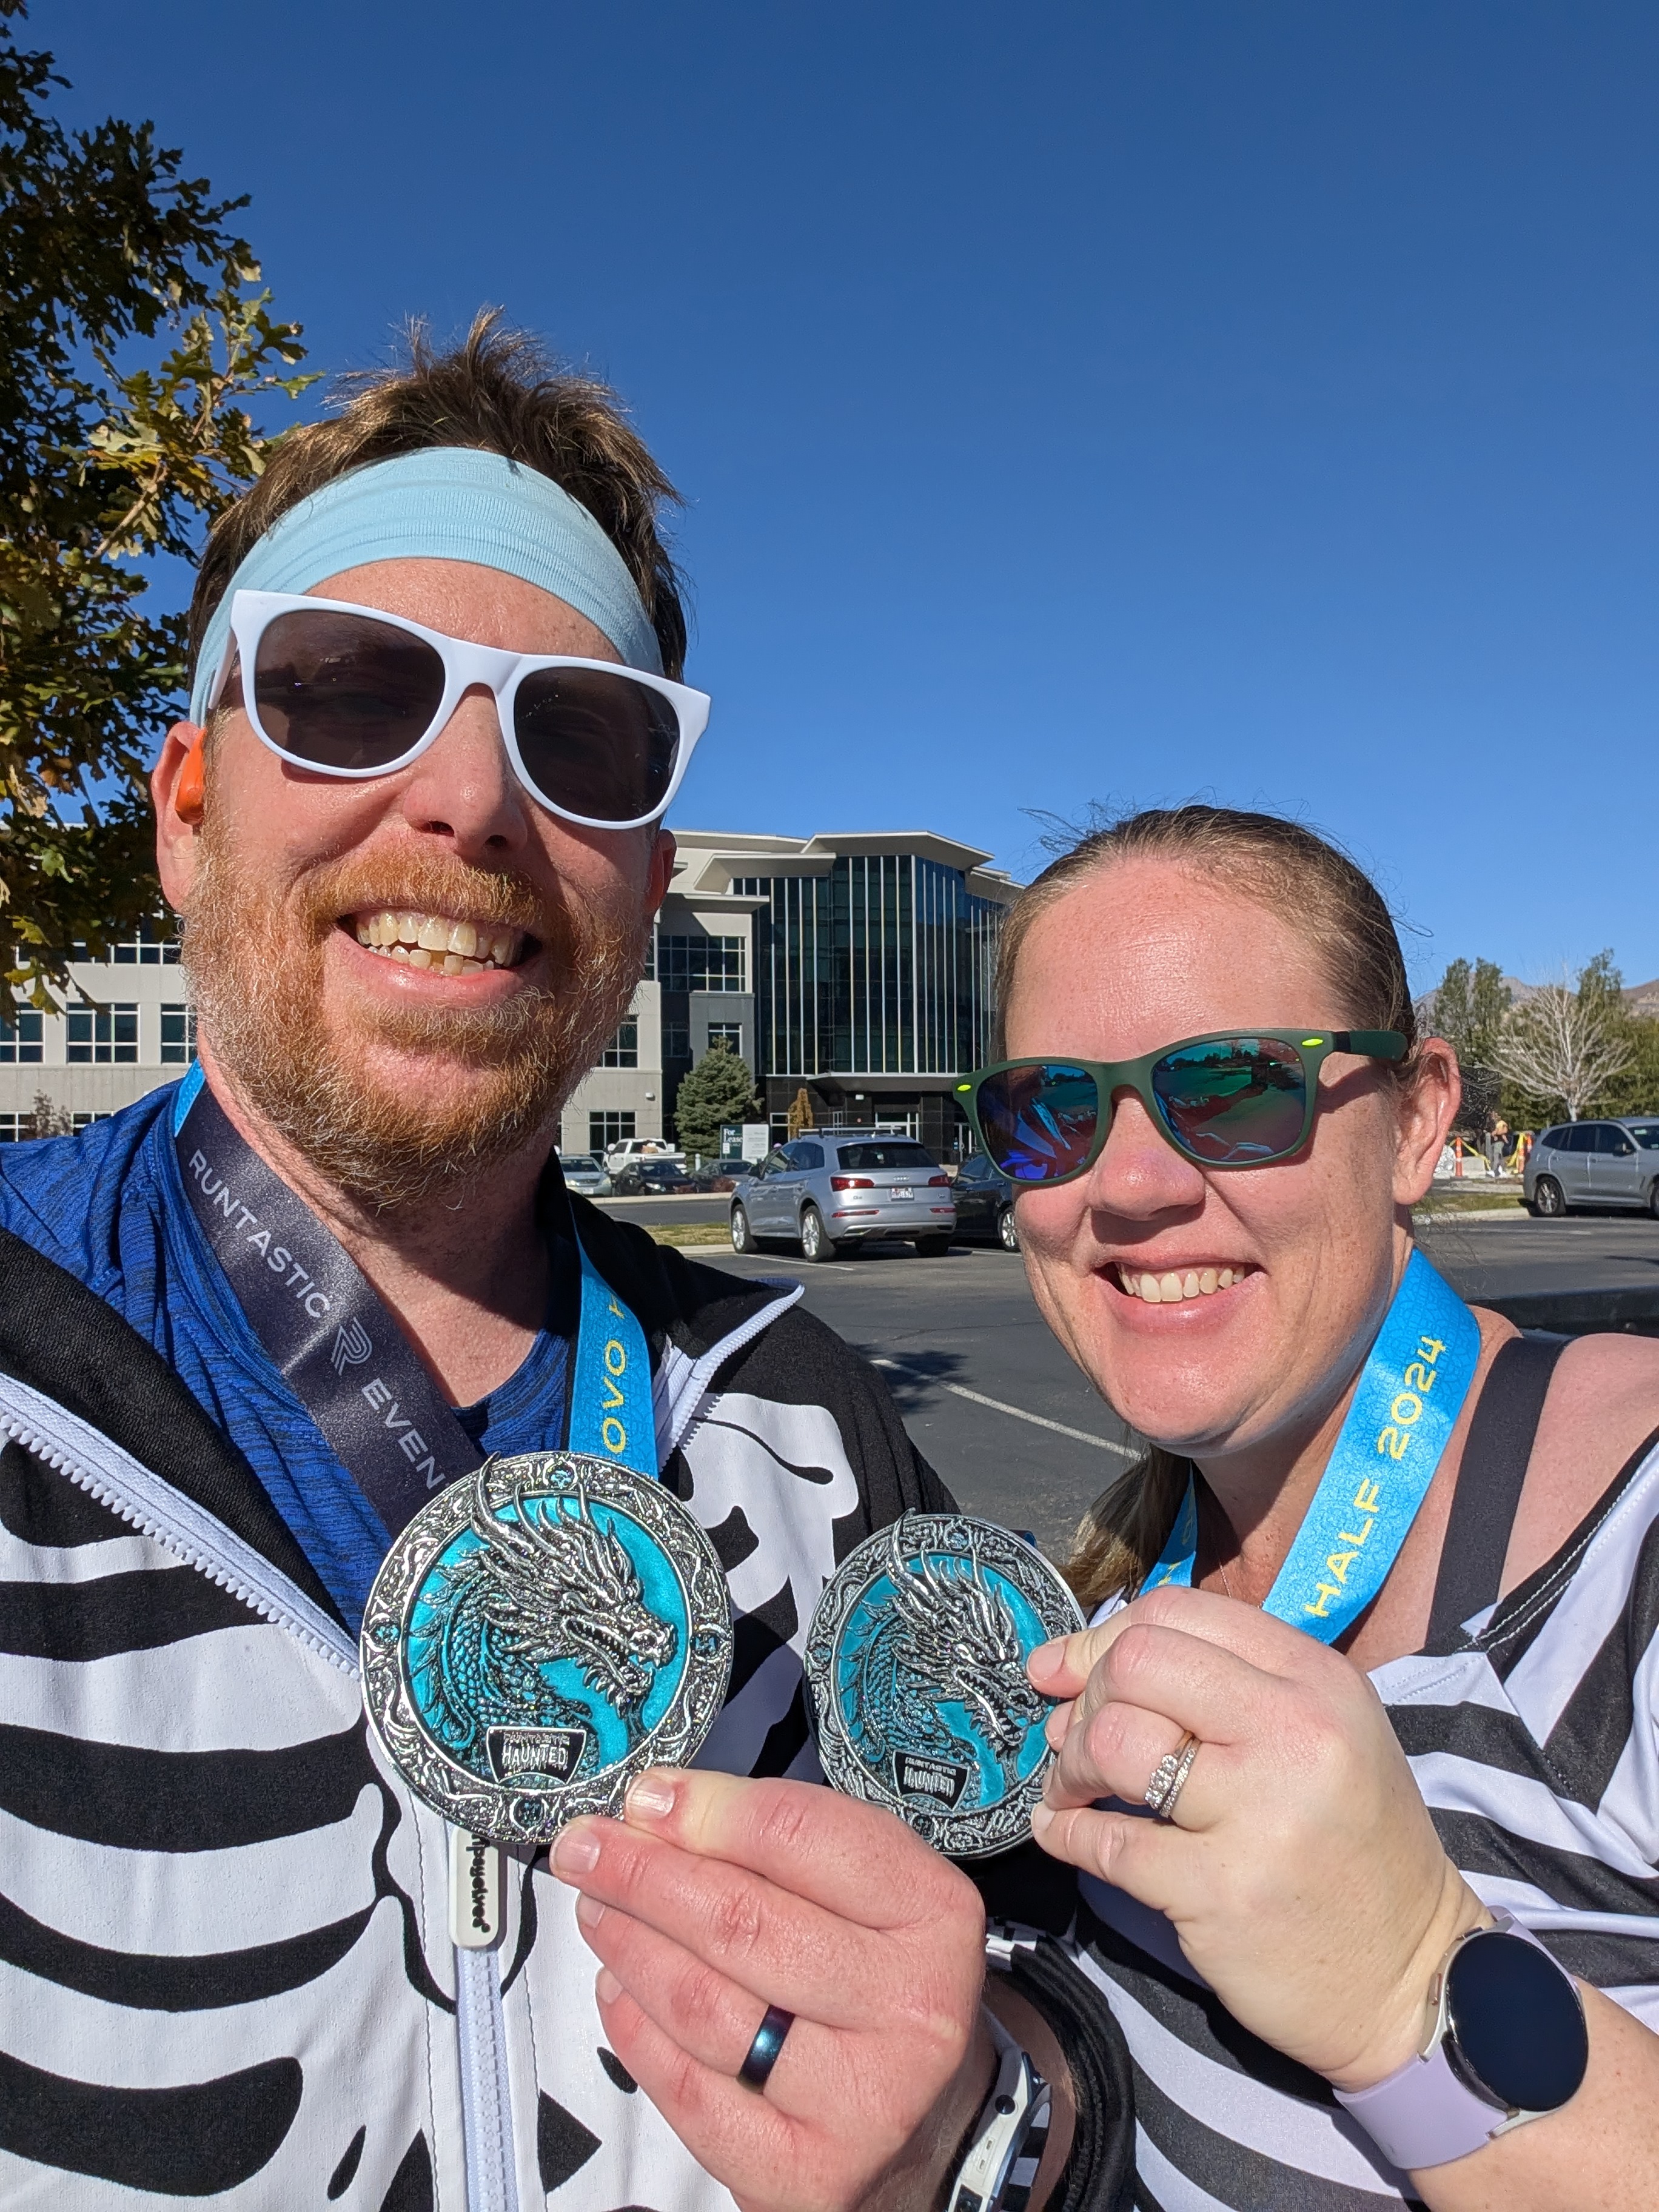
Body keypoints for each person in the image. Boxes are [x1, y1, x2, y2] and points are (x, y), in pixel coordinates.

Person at [0, 318, 1099, 2211]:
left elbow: (1032, 1985)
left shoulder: (803, 1422)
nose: (469, 803)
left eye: (578, 740)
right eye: (353, 693)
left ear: (647, 885)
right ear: (185, 812)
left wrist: (1015, 2120)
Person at [957, 805, 1659, 2209]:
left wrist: (1410, 1984)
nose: (1133, 1188)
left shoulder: (1635, 1533)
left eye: (1231, 1087)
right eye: (1054, 1113)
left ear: (1417, 1121)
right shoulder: (1102, 1589)